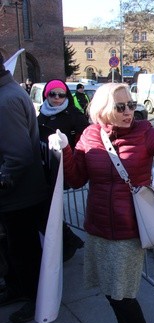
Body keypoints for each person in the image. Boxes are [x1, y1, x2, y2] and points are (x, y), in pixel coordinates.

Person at [48, 83, 154, 323]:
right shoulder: (90, 135)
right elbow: (77, 178)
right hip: (98, 224)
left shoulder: (143, 131)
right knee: (107, 286)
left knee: (122, 291)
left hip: (129, 227)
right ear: (103, 109)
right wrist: (65, 150)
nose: (129, 112)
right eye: (120, 106)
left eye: (131, 105)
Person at [0, 53, 50, 323]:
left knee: (25, 251)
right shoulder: (7, 94)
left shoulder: (6, 100)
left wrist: (3, 180)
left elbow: (18, 156)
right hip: (17, 194)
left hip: (19, 195)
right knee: (17, 249)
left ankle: (34, 298)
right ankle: (19, 288)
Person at [38, 79, 89, 261]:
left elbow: (85, 139)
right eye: (53, 94)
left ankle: (68, 243)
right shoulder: (41, 114)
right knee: (47, 208)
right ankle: (69, 240)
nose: (57, 98)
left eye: (61, 94)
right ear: (46, 95)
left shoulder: (74, 115)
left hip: (66, 166)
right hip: (47, 167)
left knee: (49, 208)